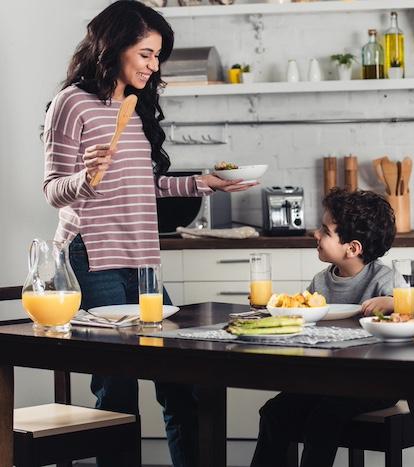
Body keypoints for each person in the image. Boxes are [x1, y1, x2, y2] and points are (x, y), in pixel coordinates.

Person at [42, 2, 255, 466]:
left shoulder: (135, 108)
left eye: (158, 56)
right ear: (113, 46)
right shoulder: (71, 103)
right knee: (117, 388)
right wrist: (85, 179)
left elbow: (146, 184)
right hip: (92, 255)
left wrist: (203, 182)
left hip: (142, 260)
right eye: (145, 54)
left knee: (178, 381)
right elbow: (54, 190)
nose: (153, 66)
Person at [250, 188, 403, 467]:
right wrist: (275, 310)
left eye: (325, 230)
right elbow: (302, 320)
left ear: (352, 248)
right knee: (273, 412)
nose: (315, 234)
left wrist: (392, 302)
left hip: (376, 382)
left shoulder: (384, 278)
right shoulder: (321, 281)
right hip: (327, 379)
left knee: (324, 417)